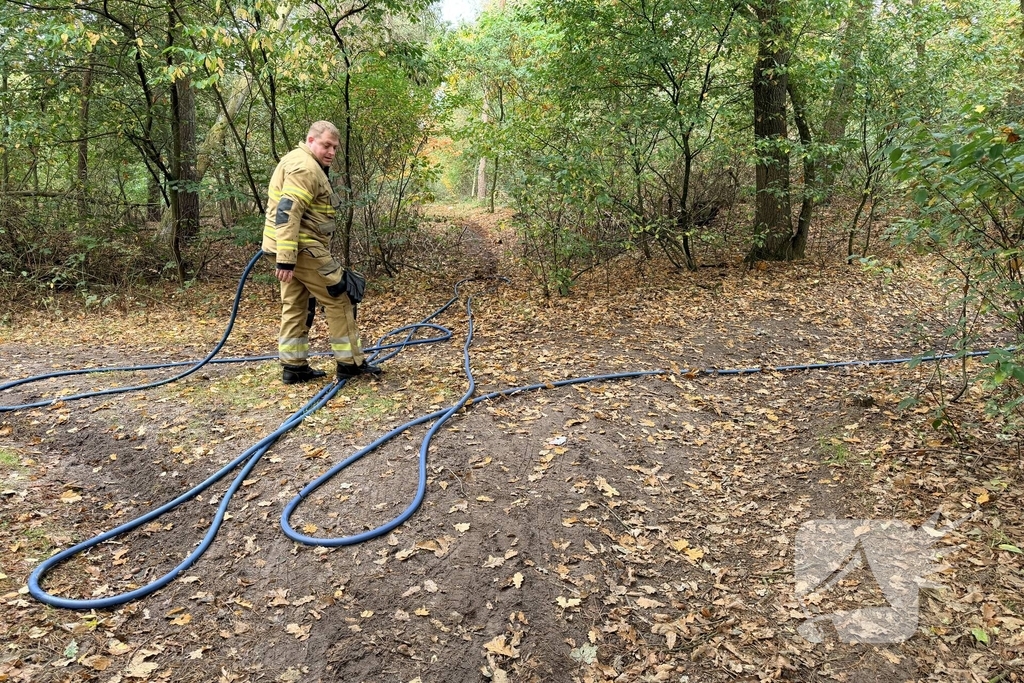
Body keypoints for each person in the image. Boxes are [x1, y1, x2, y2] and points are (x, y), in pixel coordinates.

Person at [262, 120, 381, 384]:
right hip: (301, 248)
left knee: (296, 303)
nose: (331, 152)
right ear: (311, 140)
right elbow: (287, 212)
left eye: (335, 148)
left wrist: (284, 257)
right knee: (340, 297)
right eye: (326, 145)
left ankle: (294, 367)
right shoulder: (305, 168)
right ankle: (350, 363)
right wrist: (287, 260)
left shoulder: (300, 161)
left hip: (289, 247)